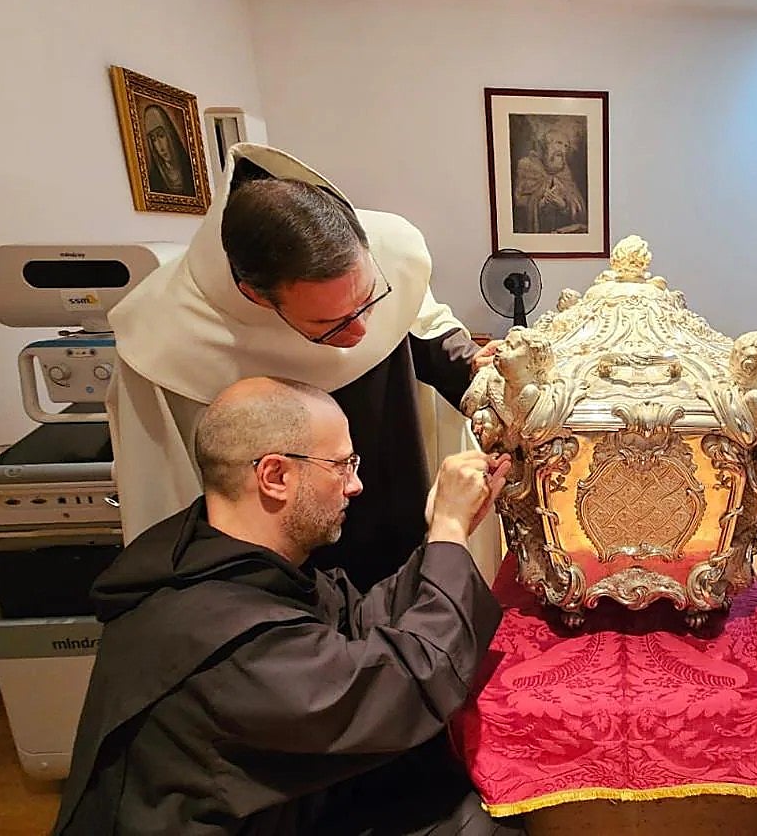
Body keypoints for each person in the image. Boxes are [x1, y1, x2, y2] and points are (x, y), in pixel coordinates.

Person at [53, 376, 522, 835]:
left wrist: (436, 538)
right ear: (275, 475)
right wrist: (449, 535)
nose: (355, 485)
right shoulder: (217, 632)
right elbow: (406, 684)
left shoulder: (217, 556)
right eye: (341, 465)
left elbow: (353, 625)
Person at [107, 143, 498, 590]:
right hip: (275, 571)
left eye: (370, 300)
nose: (361, 334)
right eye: (329, 326)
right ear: (257, 298)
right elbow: (163, 490)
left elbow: (423, 330)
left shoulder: (386, 251)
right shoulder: (165, 335)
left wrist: (477, 370)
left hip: (396, 484)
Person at [511, 117, 586, 234]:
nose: (562, 150)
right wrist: (540, 203)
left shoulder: (565, 173)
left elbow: (580, 209)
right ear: (546, 145)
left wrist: (564, 205)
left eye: (566, 146)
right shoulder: (527, 166)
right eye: (559, 143)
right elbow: (517, 205)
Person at [142, 103, 196, 197]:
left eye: (161, 136)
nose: (159, 147)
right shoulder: (154, 179)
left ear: (170, 134)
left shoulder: (191, 169)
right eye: (153, 139)